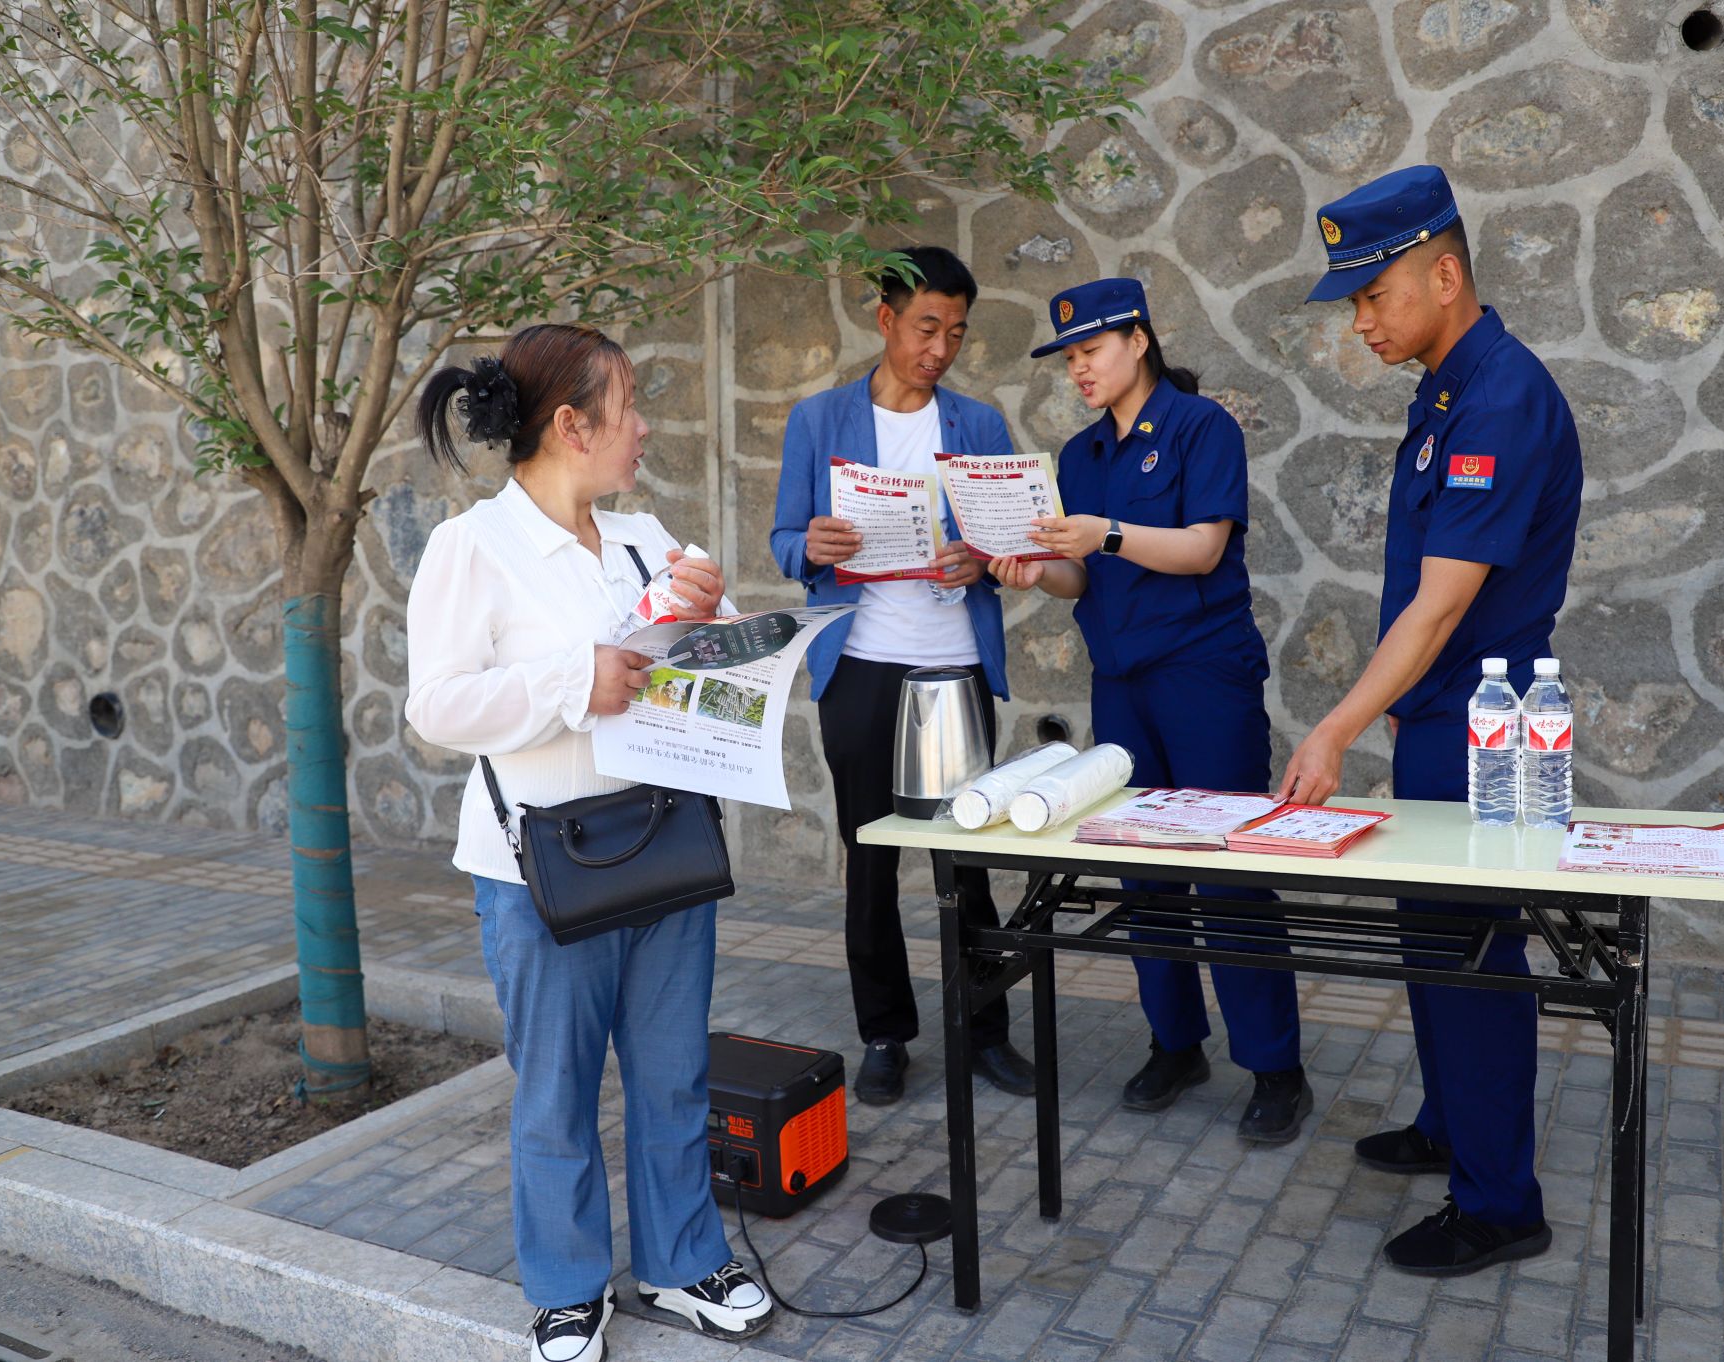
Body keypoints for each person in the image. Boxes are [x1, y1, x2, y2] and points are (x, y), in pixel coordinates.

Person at [405, 324, 772, 1360]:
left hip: (664, 845)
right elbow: (436, 707)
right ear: (572, 424)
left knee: (673, 1075)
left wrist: (716, 614)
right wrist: (578, 682)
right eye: (630, 405)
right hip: (541, 870)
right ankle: (567, 1288)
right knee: (555, 1091)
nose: (643, 426)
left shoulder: (646, 537)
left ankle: (681, 1261)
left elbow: (715, 672)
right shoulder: (473, 547)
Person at [1277, 165, 1584, 1274]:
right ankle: (1454, 1125)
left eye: (1373, 295)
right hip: (1445, 716)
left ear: (1444, 277)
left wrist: (1334, 728)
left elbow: (1441, 603)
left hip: (1490, 724)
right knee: (1433, 946)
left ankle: (1499, 1203)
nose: (1360, 321)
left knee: (1475, 955)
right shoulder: (1448, 392)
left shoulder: (1499, 399)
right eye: (1354, 301)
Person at [991, 277, 1309, 1144]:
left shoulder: (1203, 427)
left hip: (1204, 676)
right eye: (1069, 358)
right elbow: (1080, 577)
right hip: (1122, 680)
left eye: (1091, 351)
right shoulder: (1080, 455)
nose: (1078, 370)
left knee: (1227, 868)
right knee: (1142, 869)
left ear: (1139, 340)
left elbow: (1203, 547)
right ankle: (1176, 1044)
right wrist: (1035, 568)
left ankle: (1275, 1067)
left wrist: (1106, 533)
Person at [769, 246, 1036, 1106]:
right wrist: (810, 546)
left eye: (955, 332)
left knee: (967, 860)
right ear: (885, 320)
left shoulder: (978, 425)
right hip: (859, 666)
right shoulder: (819, 420)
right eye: (926, 328)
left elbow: (1013, 543)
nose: (940, 349)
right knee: (870, 859)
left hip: (953, 666)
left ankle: (987, 1030)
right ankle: (884, 1035)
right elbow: (784, 542)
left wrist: (982, 561)